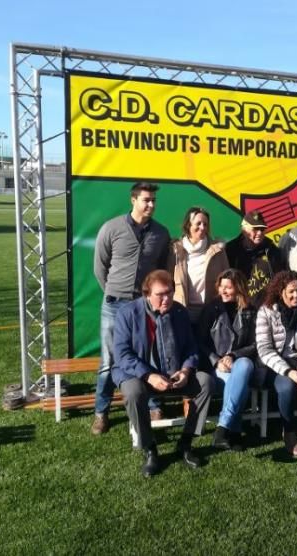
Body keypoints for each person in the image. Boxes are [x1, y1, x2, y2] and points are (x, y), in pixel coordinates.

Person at [112, 270, 214, 477]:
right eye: (160, 294)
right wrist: (149, 376)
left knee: (206, 382)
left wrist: (186, 371)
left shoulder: (179, 312)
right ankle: (150, 449)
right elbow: (122, 355)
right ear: (146, 294)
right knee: (133, 392)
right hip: (138, 374)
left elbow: (191, 348)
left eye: (170, 293)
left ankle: (185, 443)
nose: (167, 299)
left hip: (174, 373)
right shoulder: (127, 313)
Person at [91, 182, 170, 436]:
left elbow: (161, 270)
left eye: (154, 201)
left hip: (145, 306)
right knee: (108, 361)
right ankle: (101, 412)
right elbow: (100, 267)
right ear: (133, 200)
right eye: (146, 200)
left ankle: (154, 405)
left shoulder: (161, 233)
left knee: (151, 356)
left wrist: (146, 299)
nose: (151, 205)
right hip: (114, 304)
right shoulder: (111, 228)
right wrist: (115, 292)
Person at [256, 271, 297, 457]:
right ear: (280, 292)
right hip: (276, 365)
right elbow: (264, 349)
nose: (296, 295)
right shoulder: (266, 311)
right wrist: (289, 372)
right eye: (291, 292)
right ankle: (289, 430)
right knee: (286, 389)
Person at [197, 269, 261, 451]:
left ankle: (223, 427)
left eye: (228, 287)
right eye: (221, 286)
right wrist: (217, 361)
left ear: (239, 288)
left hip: (241, 362)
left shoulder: (250, 310)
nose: (223, 291)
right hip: (216, 367)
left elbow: (257, 343)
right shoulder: (211, 309)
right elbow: (200, 341)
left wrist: (233, 355)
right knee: (237, 382)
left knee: (244, 366)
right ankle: (234, 430)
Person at [167, 206, 229, 324]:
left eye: (205, 224)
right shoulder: (175, 250)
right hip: (182, 311)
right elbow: (168, 280)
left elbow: (227, 279)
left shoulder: (217, 250)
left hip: (209, 312)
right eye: (198, 223)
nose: (202, 227)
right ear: (188, 225)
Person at [225, 210, 284, 306]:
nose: (260, 233)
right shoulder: (231, 250)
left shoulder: (272, 250)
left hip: (267, 309)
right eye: (255, 229)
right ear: (244, 230)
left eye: (262, 229)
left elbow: (280, 278)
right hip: (239, 309)